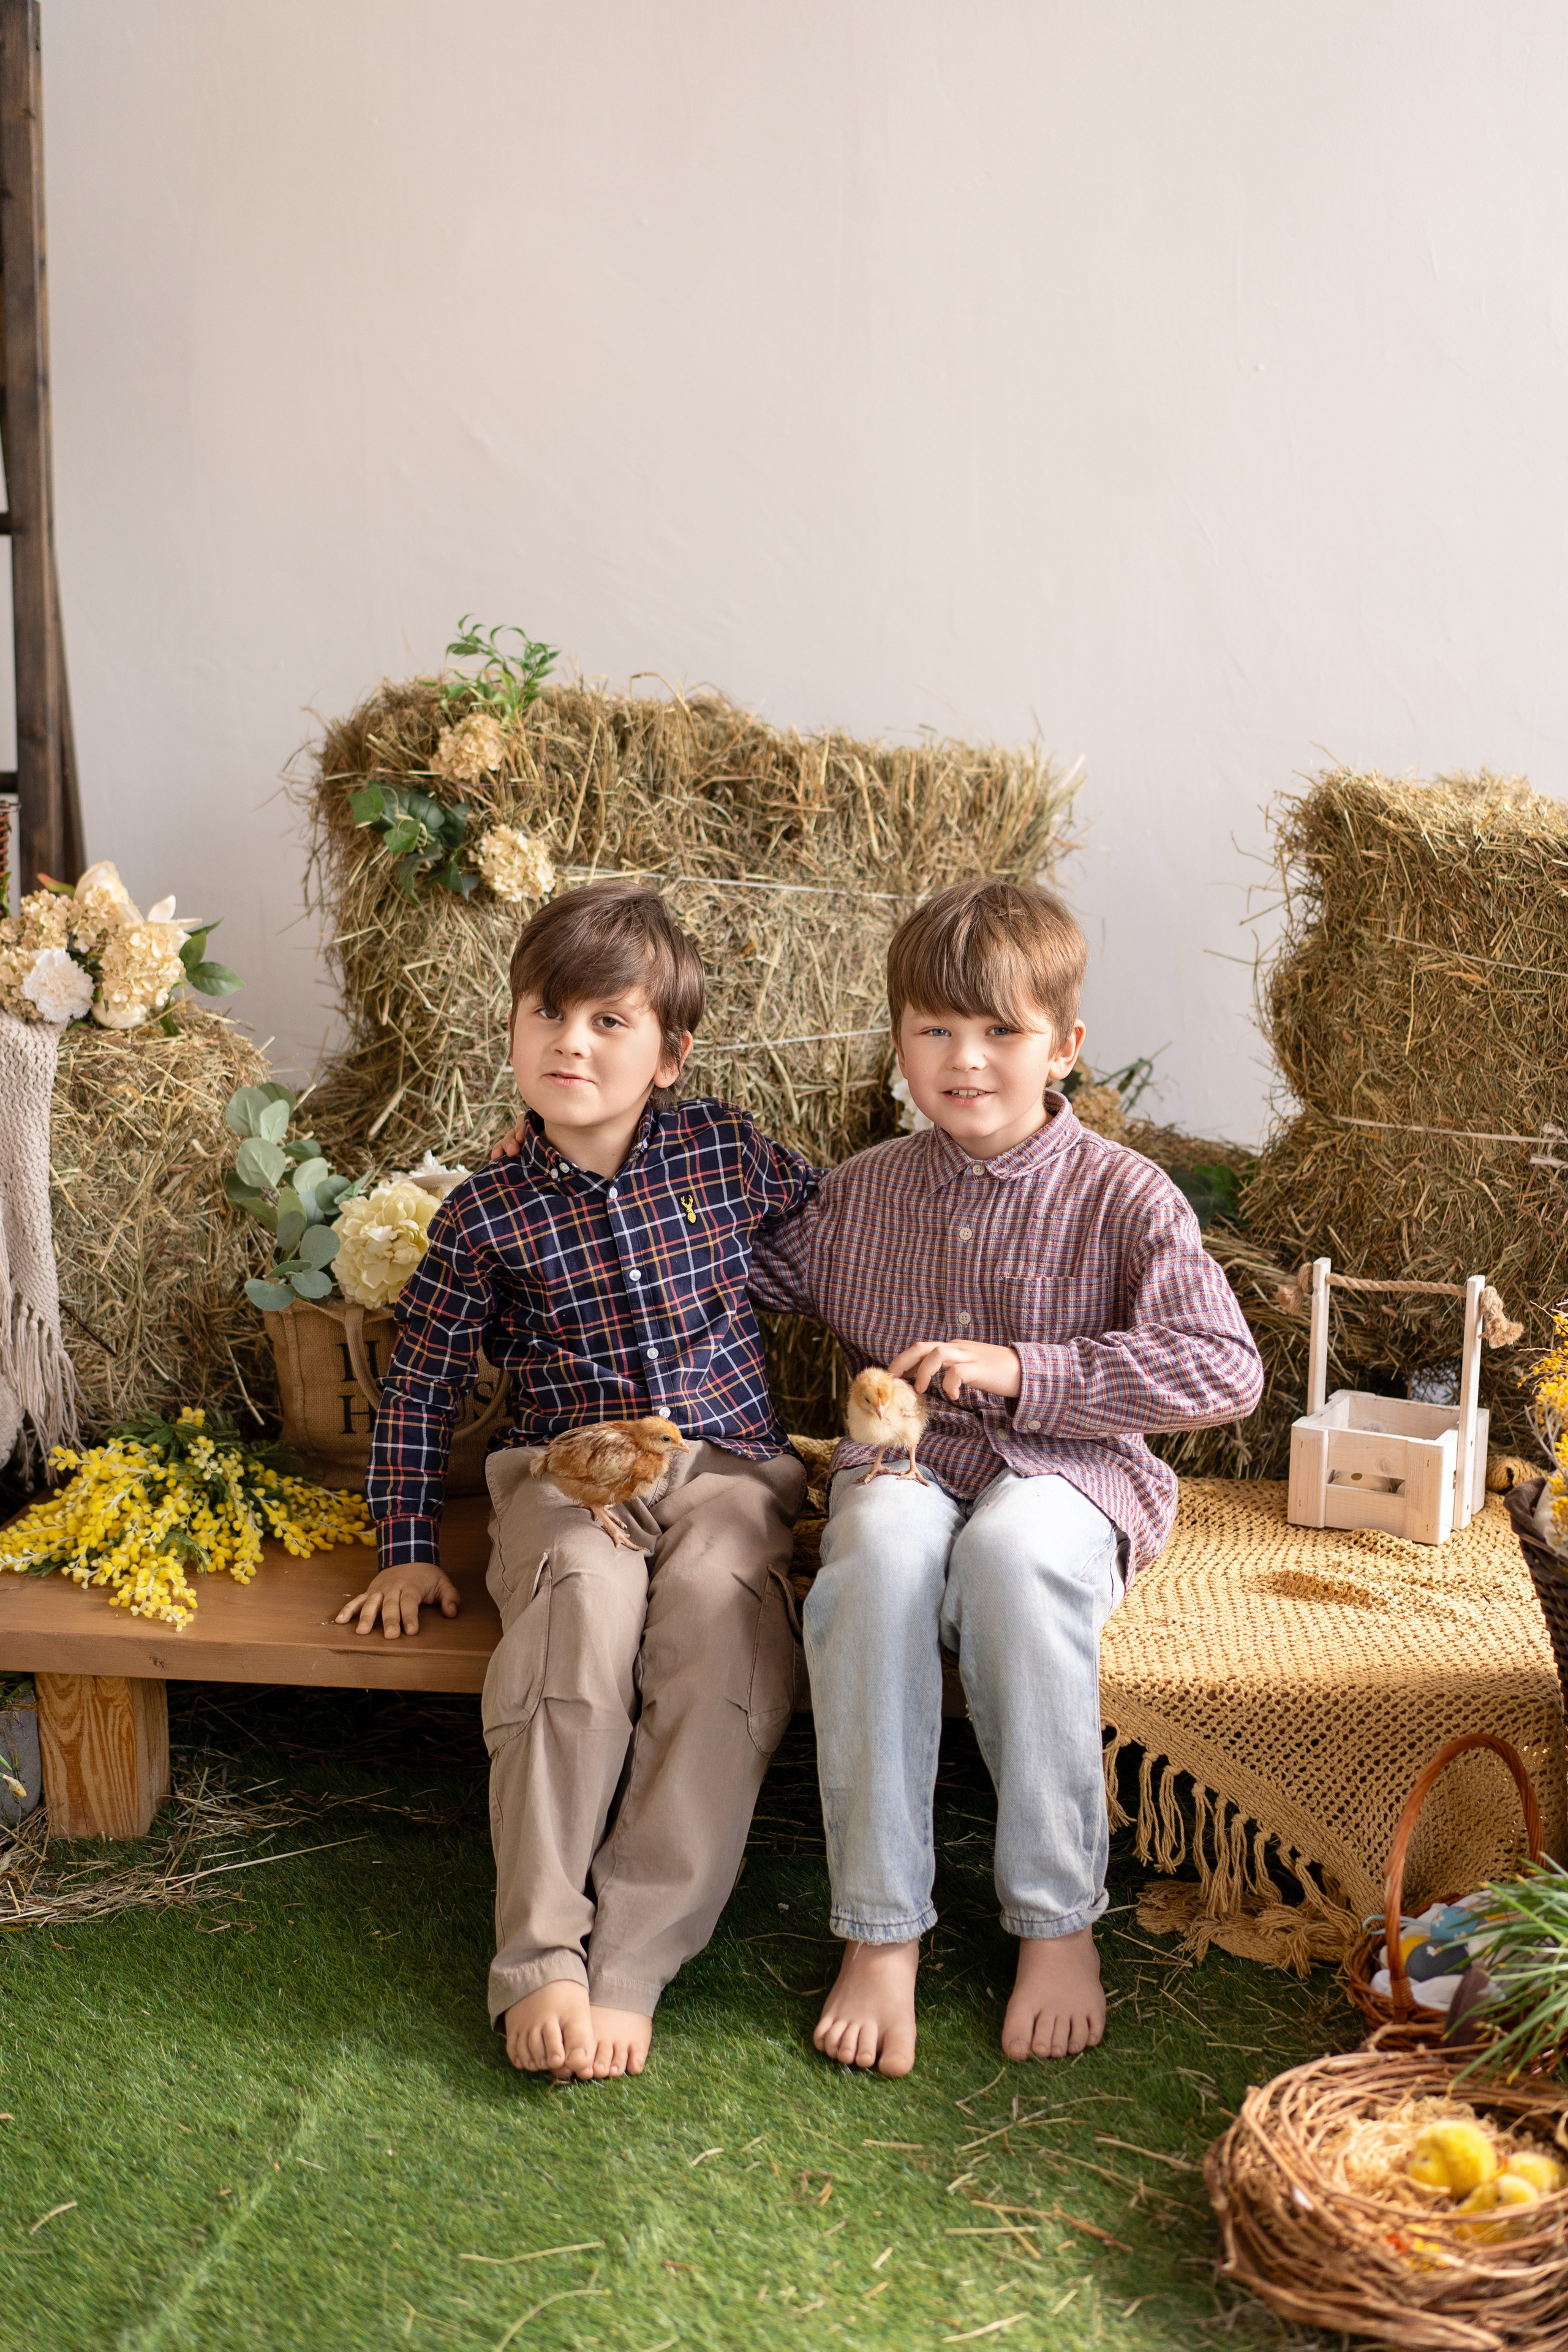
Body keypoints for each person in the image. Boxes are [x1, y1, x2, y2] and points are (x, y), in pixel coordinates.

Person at [746, 878, 1264, 2076]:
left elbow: (1220, 1369)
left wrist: (1028, 1373)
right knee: (873, 1556)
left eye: (1000, 1032)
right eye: (934, 1031)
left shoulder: (1123, 1196)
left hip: (1069, 1477)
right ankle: (880, 1930)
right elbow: (722, 1266)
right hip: (904, 1469)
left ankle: (1053, 1919)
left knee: (1011, 1551)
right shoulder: (857, 1195)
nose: (965, 1061)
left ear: (1063, 1049)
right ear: (897, 1047)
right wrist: (590, 1162)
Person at [339, 880, 814, 2084]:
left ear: (670, 1054)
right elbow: (424, 1385)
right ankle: (540, 1954)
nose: (570, 1042)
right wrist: (404, 1538)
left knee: (718, 1636)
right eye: (546, 1014)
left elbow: (845, 1235)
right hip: (565, 1477)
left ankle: (636, 1960)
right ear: (511, 1029)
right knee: (577, 1628)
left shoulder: (724, 1149)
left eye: (610, 1021)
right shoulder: (486, 1212)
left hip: (726, 1470)